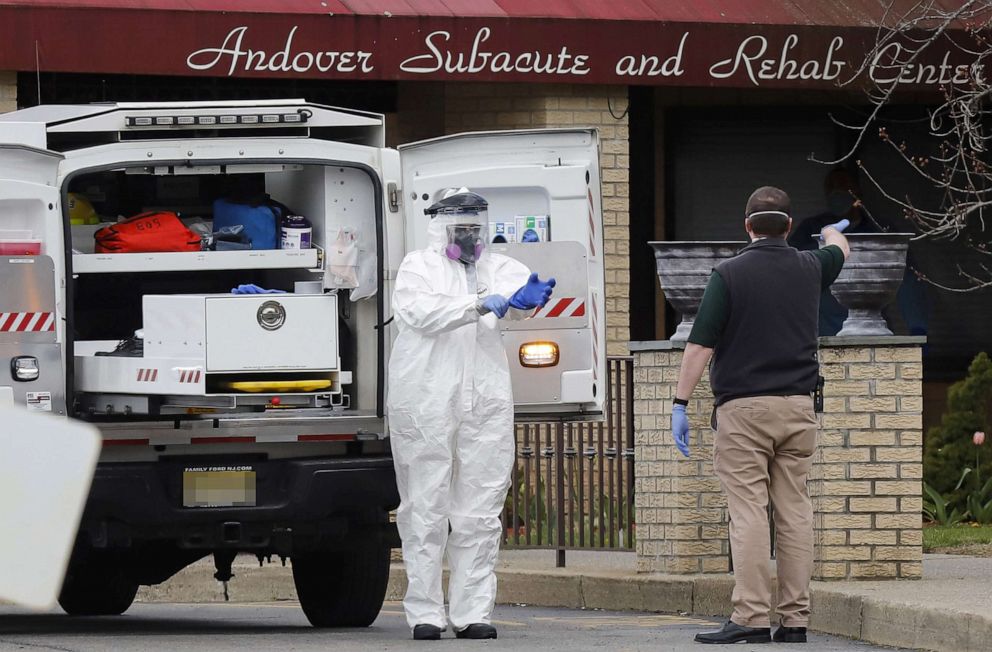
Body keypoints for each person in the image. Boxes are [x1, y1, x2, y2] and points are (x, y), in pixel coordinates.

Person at [672, 186, 849, 645]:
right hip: (798, 407)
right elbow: (839, 249)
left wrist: (680, 403)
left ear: (747, 226)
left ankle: (750, 617)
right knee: (794, 512)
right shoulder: (812, 267)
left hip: (744, 410)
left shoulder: (728, 274)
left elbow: (700, 344)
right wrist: (831, 230)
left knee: (748, 511)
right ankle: (794, 621)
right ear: (789, 227)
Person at [387, 188, 556, 641]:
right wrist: (477, 305)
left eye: (474, 228)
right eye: (459, 227)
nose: (467, 236)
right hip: (425, 397)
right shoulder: (417, 267)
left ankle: (471, 612)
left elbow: (516, 308)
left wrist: (527, 302)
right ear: (439, 225)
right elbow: (421, 314)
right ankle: (425, 612)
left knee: (480, 509)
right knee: (425, 506)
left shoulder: (499, 266)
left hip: (485, 397)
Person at [788, 168, 871, 335]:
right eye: (831, 187)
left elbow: (908, 279)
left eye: (842, 186)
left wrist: (917, 327)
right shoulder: (811, 228)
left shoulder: (876, 229)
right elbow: (788, 263)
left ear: (857, 191)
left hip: (869, 326)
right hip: (822, 328)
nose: (836, 192)